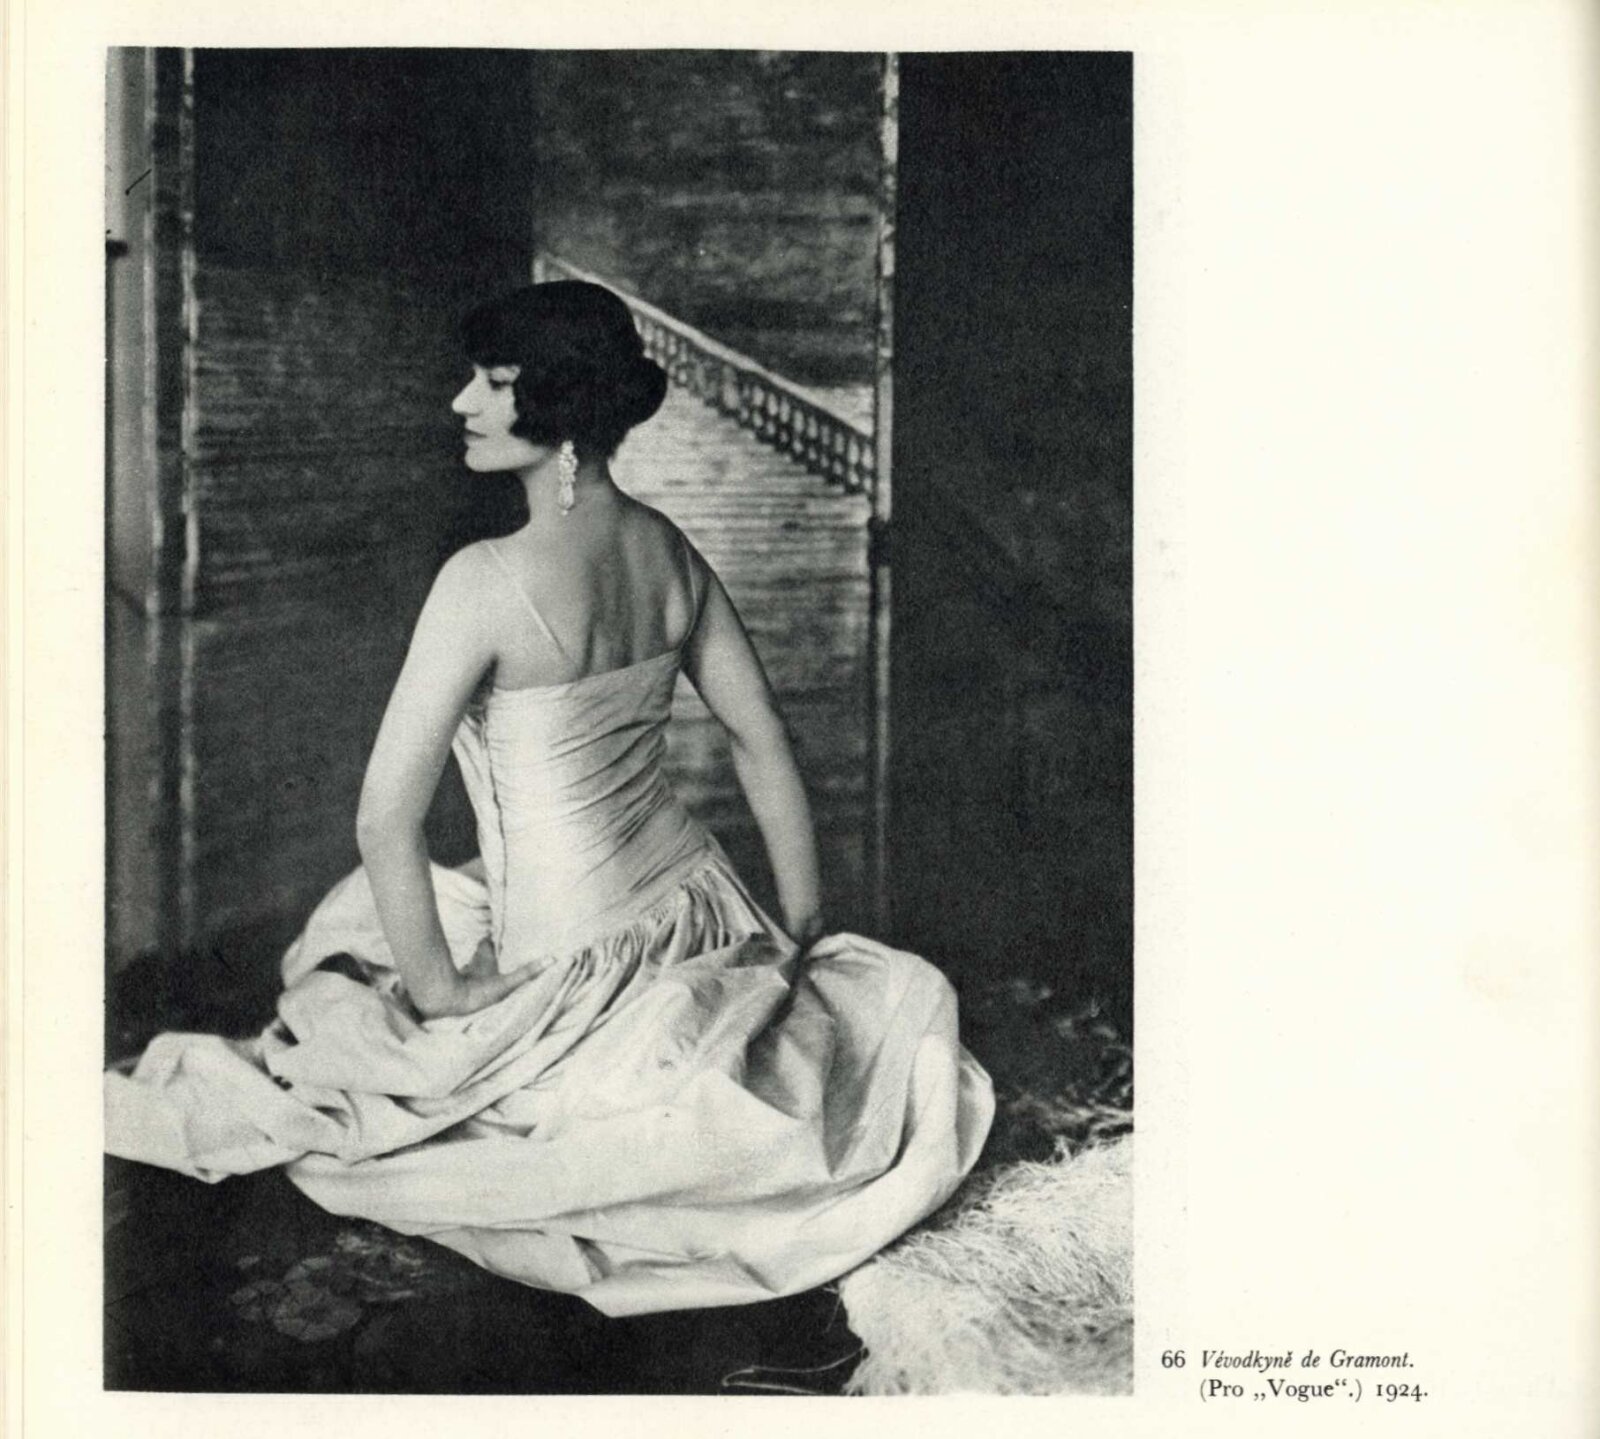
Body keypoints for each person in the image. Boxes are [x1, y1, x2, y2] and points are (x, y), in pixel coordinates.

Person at [105, 281, 994, 1317]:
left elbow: (384, 817)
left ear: (561, 404)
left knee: (360, 1030)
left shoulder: (483, 579)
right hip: (703, 912)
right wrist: (796, 923)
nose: (461, 403)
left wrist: (441, 993)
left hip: (568, 957)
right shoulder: (667, 549)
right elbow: (761, 738)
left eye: (492, 382)